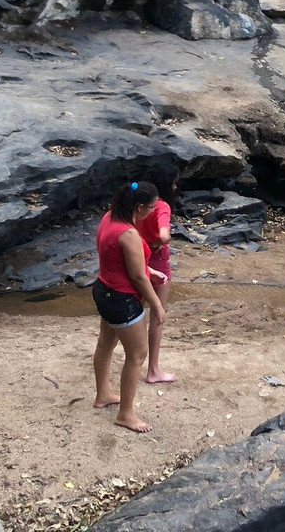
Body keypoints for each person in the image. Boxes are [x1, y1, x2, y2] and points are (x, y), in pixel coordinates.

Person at [91, 181, 166, 433]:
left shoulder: (108, 218)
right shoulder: (128, 233)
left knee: (105, 343)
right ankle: (126, 414)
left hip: (104, 289)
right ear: (140, 207)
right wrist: (157, 305)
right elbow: (137, 277)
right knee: (137, 354)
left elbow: (119, 260)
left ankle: (103, 394)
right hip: (121, 299)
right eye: (152, 207)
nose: (155, 211)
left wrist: (149, 269)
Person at [135, 163, 181, 384]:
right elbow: (164, 236)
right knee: (157, 314)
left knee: (132, 311)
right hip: (157, 261)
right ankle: (153, 369)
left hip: (134, 257)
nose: (175, 186)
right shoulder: (161, 207)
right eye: (173, 182)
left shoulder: (136, 203)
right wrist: (156, 242)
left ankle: (130, 360)